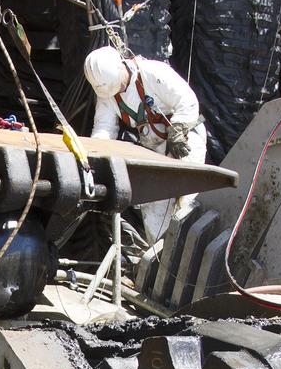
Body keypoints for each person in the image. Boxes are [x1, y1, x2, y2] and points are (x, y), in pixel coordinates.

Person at [84, 45, 207, 246]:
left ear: (121, 67)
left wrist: (178, 130)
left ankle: (188, 253)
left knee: (186, 200)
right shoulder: (107, 93)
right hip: (154, 148)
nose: (119, 91)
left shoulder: (153, 73)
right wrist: (95, 155)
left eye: (119, 85)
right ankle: (160, 260)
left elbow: (187, 100)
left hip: (184, 140)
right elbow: (104, 128)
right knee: (155, 206)